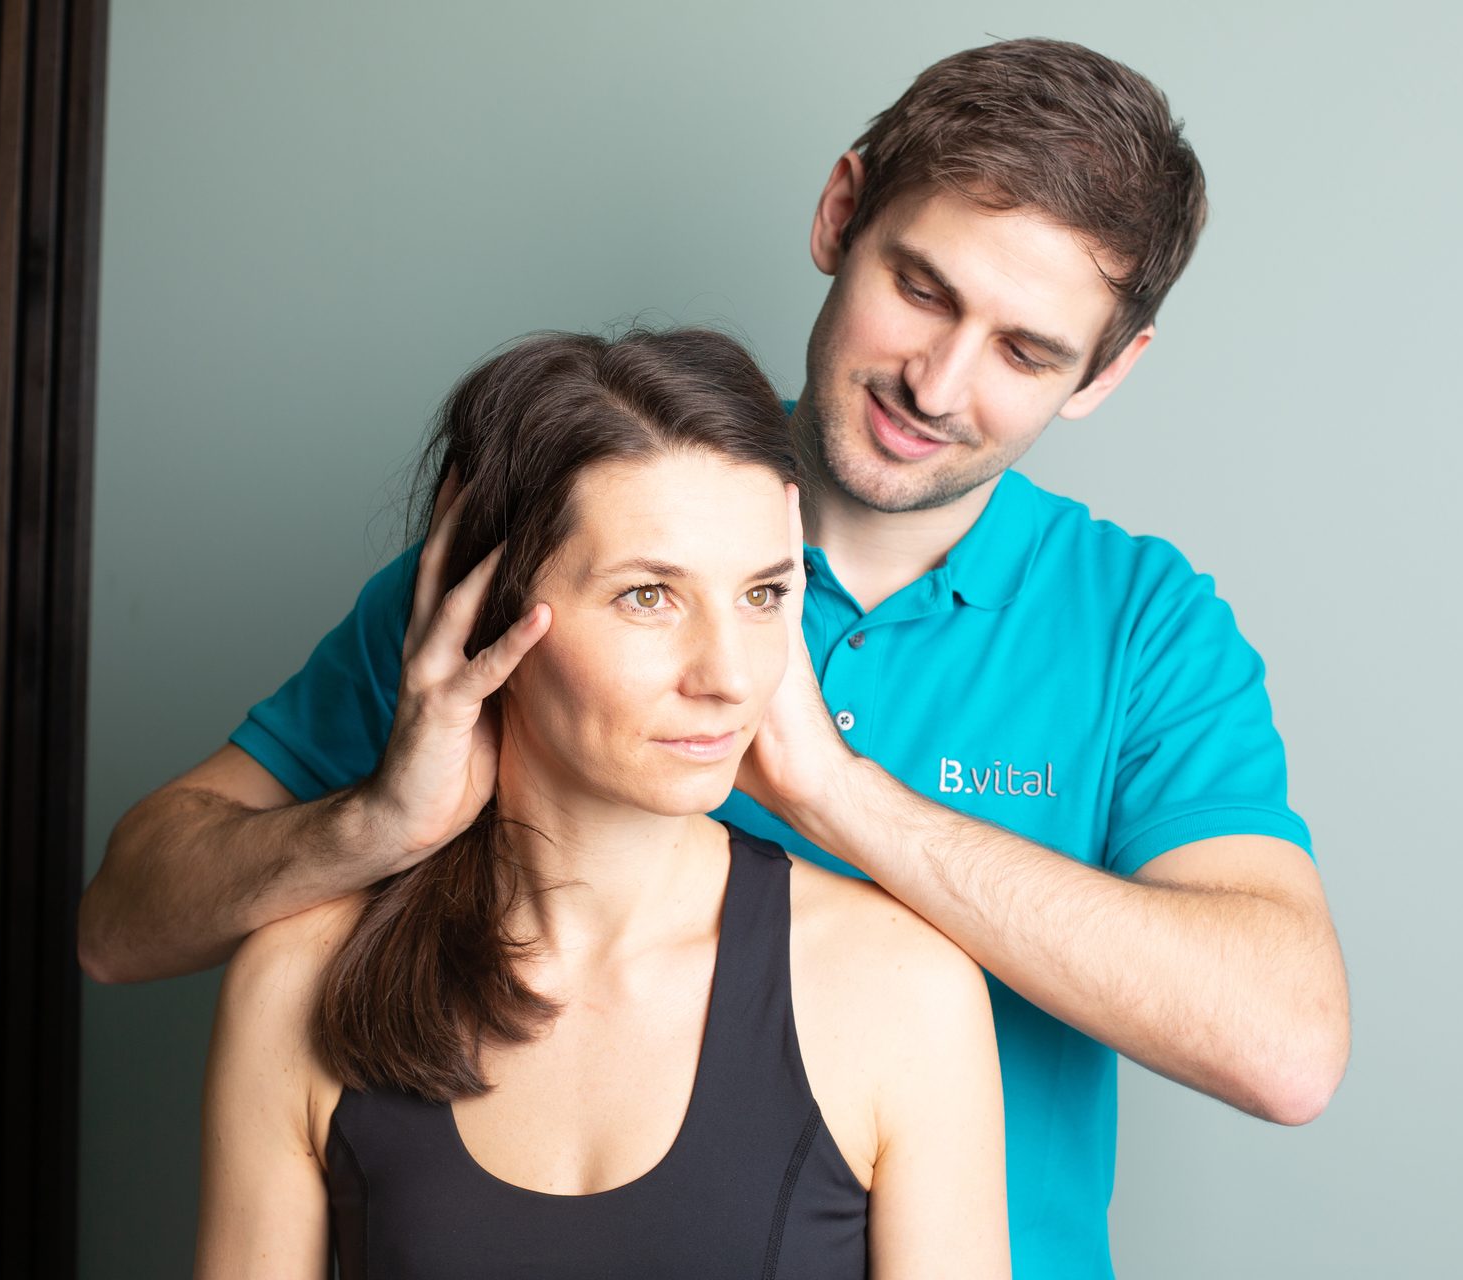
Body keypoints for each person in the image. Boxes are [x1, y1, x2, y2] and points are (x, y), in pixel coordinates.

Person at [84, 37, 1350, 1279]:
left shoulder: (1138, 623)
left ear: (1107, 374)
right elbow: (121, 922)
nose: (939, 380)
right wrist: (369, 823)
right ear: (841, 212)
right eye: (922, 287)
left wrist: (836, 793)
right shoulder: (552, 543)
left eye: (1026, 351)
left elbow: (1286, 1045)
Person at [193, 328, 1008, 1278]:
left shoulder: (902, 992)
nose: (728, 676)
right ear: (483, 611)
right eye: (649, 597)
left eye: (760, 595)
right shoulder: (296, 985)